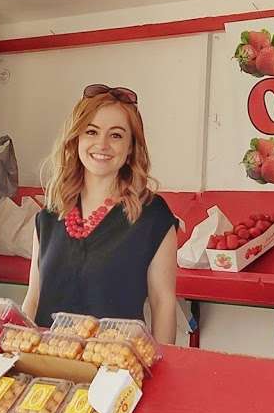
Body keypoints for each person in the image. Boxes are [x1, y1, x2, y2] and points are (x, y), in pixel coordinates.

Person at [24, 84, 179, 344]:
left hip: (115, 373)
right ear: (76, 139)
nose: (102, 144)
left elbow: (163, 304)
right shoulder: (50, 215)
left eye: (116, 135)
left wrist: (164, 371)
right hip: (49, 373)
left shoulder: (153, 216)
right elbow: (34, 298)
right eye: (91, 132)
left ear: (131, 146)